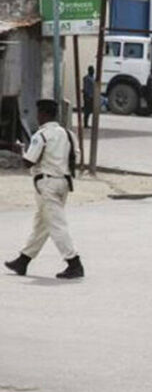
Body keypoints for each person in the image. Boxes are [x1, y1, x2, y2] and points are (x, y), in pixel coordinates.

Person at [4, 99, 84, 279]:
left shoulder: (41, 136)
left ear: (43, 114)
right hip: (64, 182)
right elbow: (75, 156)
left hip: (47, 184)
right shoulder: (68, 134)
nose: (37, 117)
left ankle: (74, 262)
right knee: (42, 223)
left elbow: (28, 161)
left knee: (56, 224)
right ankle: (23, 260)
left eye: (39, 113)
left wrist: (19, 151)